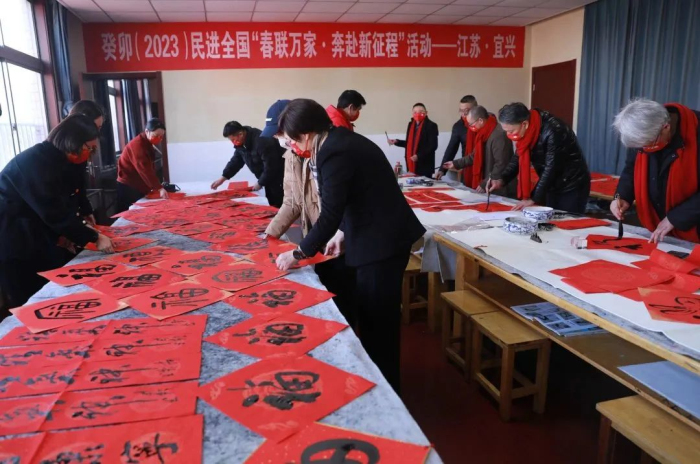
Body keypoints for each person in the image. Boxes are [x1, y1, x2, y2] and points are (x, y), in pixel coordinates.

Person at [274, 99, 426, 393]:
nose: (293, 146)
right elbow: (355, 196)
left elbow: (330, 212)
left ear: (306, 134)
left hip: (382, 244)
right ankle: (381, 379)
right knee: (371, 316)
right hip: (374, 235)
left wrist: (299, 252)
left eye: (293, 140)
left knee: (377, 321)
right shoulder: (336, 142)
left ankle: (387, 392)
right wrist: (343, 233)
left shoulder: (334, 151)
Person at [0, 114, 114, 314]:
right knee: (32, 303)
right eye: (89, 148)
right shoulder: (36, 162)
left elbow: (69, 197)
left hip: (37, 229)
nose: (90, 154)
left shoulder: (64, 160)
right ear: (73, 141)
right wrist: (93, 236)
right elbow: (53, 211)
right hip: (15, 236)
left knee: (57, 290)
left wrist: (81, 220)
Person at [263, 100, 357, 327]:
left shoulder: (326, 152)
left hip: (338, 236)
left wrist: (299, 252)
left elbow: (336, 208)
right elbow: (292, 202)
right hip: (317, 238)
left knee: (346, 296)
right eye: (277, 136)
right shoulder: (291, 156)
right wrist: (269, 235)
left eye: (282, 134)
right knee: (327, 291)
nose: (282, 140)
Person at [612, 99, 700, 243]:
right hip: (659, 227)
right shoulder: (644, 134)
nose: (644, 150)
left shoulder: (695, 131)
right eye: (640, 148)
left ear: (666, 127)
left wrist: (675, 218)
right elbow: (631, 169)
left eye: (649, 145)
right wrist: (621, 197)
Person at [489, 102, 591, 213]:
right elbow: (518, 157)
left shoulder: (554, 130)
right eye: (506, 131)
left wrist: (533, 198)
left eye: (511, 131)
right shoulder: (528, 131)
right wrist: (502, 179)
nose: (509, 135)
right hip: (552, 185)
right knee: (551, 219)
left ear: (524, 124)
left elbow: (551, 168)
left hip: (571, 184)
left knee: (567, 220)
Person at [443, 105, 516, 197]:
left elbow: (501, 164)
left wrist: (484, 183)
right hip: (490, 184)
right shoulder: (482, 134)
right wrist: (455, 163)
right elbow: (474, 156)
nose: (470, 127)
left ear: (480, 120)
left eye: (471, 124)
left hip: (501, 187)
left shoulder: (499, 135)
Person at [210, 120, 285, 207]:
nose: (233, 142)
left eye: (233, 139)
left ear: (240, 134)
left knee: (280, 202)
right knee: (272, 202)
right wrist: (223, 178)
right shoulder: (242, 143)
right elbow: (236, 161)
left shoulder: (262, 141)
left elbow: (271, 166)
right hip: (268, 178)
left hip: (280, 176)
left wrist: (260, 183)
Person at [67, 100, 105, 227]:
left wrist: (86, 210)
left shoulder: (83, 150)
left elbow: (80, 184)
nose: (97, 134)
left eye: (99, 128)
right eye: (95, 128)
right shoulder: (57, 153)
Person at [116, 118, 168, 212]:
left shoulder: (147, 142)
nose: (159, 139)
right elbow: (144, 169)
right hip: (129, 186)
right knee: (130, 214)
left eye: (161, 136)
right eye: (156, 135)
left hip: (138, 184)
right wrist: (159, 188)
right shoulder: (138, 145)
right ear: (147, 131)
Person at [389, 103, 439, 178]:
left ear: (426, 113)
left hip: (425, 165)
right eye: (415, 112)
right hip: (411, 163)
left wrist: (419, 156)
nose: (417, 114)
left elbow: (433, 146)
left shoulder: (431, 125)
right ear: (412, 114)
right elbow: (409, 144)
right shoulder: (411, 124)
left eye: (421, 111)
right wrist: (397, 142)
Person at [437, 95, 477, 182]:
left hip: (484, 166)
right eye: (461, 110)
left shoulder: (482, 122)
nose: (463, 114)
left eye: (466, 111)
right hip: (467, 166)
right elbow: (451, 149)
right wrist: (442, 169)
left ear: (475, 109)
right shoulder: (458, 126)